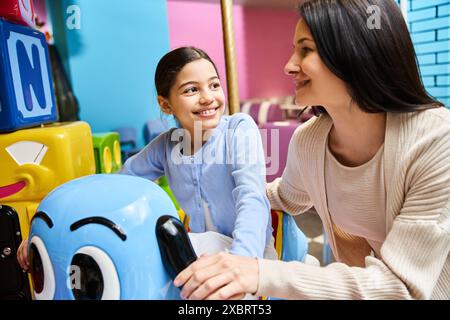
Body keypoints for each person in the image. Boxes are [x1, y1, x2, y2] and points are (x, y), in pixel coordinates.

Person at [173, 0, 450, 300]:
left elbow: (400, 287)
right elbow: (283, 196)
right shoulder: (310, 141)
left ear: (355, 53)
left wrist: (258, 273)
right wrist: (206, 203)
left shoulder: (436, 141)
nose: (289, 65)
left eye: (306, 50)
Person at [17, 47, 277, 273]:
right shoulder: (166, 146)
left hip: (249, 255)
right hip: (201, 252)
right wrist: (45, 232)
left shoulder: (239, 129)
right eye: (191, 89)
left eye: (214, 85)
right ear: (165, 105)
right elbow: (111, 189)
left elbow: (251, 198)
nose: (208, 97)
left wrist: (240, 263)